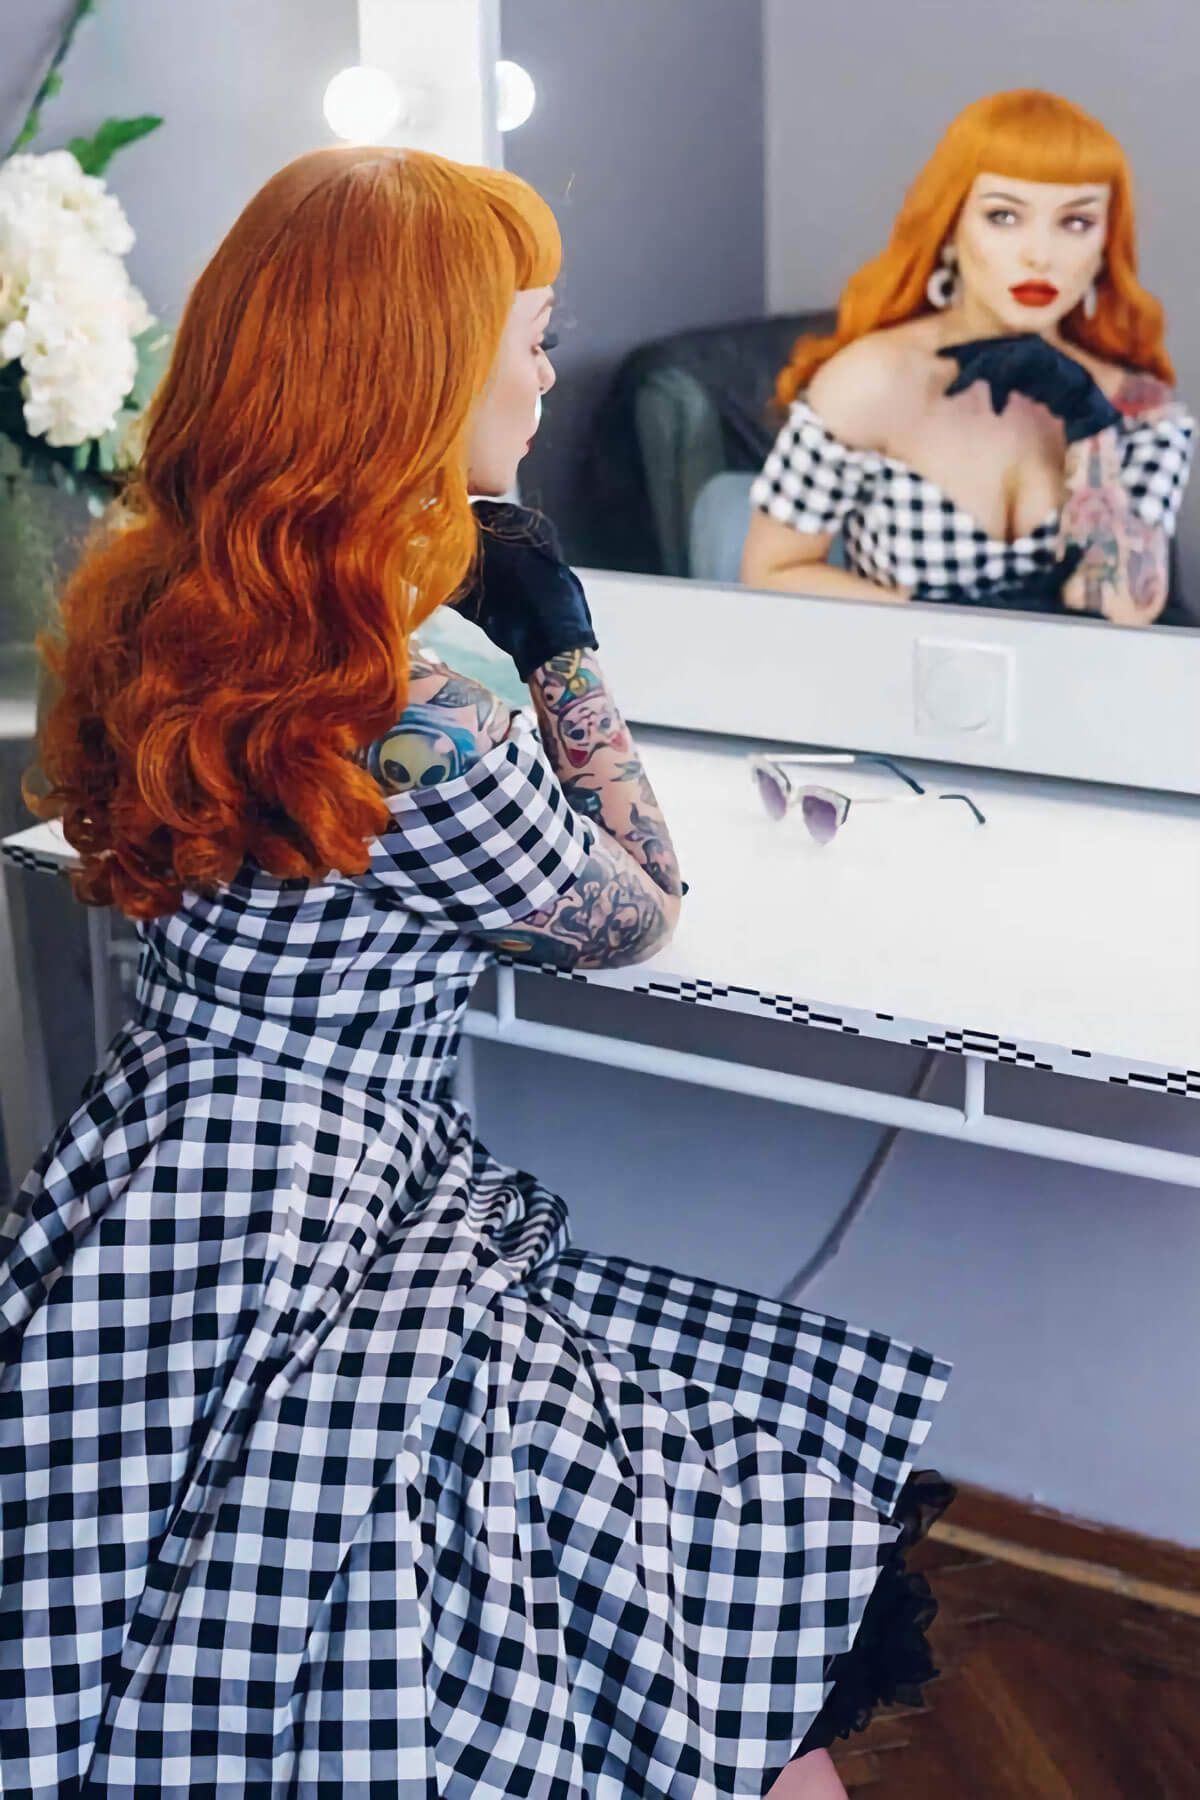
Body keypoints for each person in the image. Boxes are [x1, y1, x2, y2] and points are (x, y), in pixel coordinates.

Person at [0, 146, 951, 1799]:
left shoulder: (155, 604)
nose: (549, 370)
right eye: (530, 336)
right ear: (421, 378)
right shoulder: (425, 713)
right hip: (330, 1228)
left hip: (149, 1188)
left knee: (132, 1592)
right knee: (620, 1612)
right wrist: (560, 633)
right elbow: (641, 904)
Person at [742, 89, 1196, 625]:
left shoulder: (1141, 410)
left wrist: (1087, 418)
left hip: (1078, 698)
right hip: (895, 688)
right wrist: (948, 627)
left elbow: (1123, 611)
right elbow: (771, 573)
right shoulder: (871, 382)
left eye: (1075, 222)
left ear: (1104, 245)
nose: (1039, 253)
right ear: (951, 229)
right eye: (1004, 216)